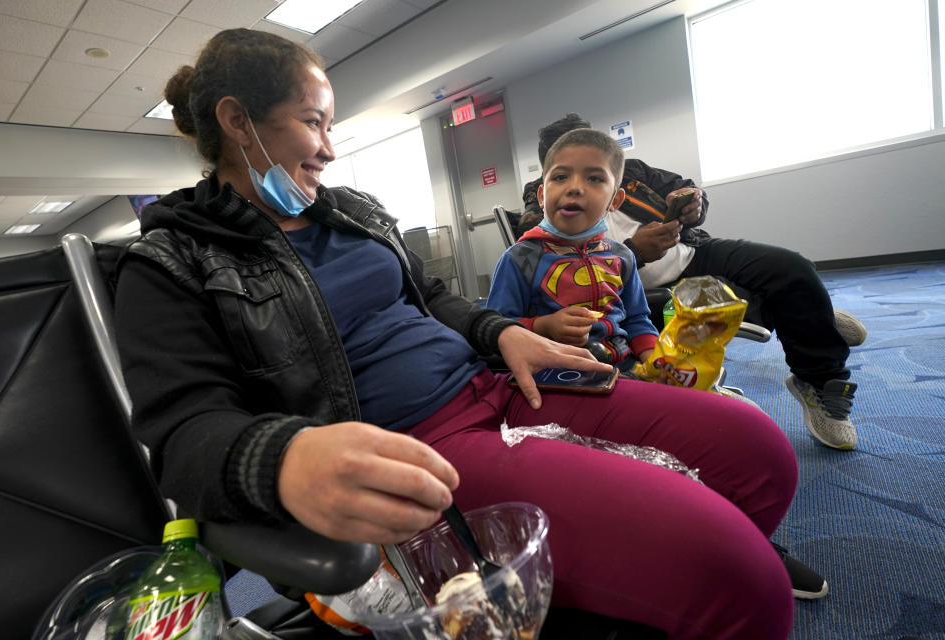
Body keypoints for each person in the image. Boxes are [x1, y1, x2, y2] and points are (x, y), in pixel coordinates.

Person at [115, 28, 806, 639]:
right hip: (421, 446)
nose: (329, 147)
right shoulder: (172, 261)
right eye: (312, 123)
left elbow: (433, 296)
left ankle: (629, 594)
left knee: (758, 453)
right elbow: (182, 436)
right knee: (744, 584)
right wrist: (284, 458)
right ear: (239, 121)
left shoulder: (349, 211)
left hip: (498, 385)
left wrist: (501, 331)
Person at [521, 114, 868, 451]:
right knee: (749, 298)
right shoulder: (543, 206)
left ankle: (813, 355)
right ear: (548, 172)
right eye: (568, 167)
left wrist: (693, 205)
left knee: (791, 268)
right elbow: (555, 276)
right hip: (636, 293)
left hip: (692, 251)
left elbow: (684, 187)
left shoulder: (634, 171)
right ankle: (807, 318)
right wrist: (634, 253)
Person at [486, 128, 658, 374]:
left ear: (614, 201)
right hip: (558, 376)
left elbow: (637, 320)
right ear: (543, 196)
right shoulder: (519, 259)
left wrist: (655, 361)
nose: (574, 188)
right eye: (560, 177)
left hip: (625, 369)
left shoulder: (622, 256)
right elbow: (497, 330)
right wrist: (544, 326)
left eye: (595, 179)